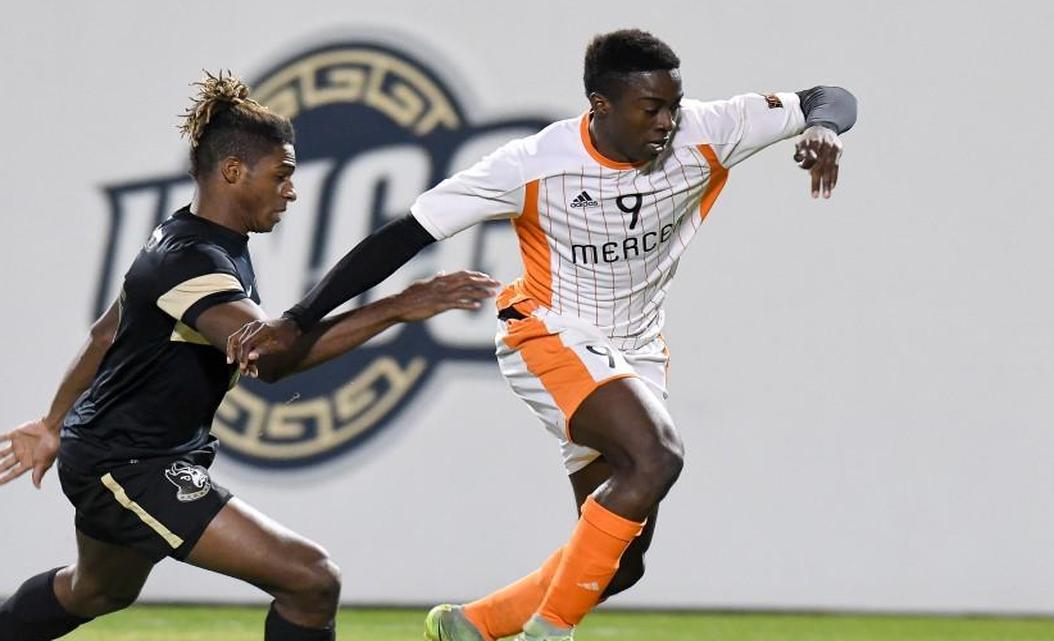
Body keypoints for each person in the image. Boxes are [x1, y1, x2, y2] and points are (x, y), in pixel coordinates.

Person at [228, 28, 857, 641]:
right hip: (548, 332)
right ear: (600, 106)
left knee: (621, 562)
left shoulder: (710, 128)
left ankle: (472, 625)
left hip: (636, 350)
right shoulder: (534, 163)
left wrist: (823, 127)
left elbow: (828, 97)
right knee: (657, 457)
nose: (668, 121)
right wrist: (297, 317)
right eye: (651, 109)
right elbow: (404, 235)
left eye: (673, 104)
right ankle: (547, 633)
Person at [0, 71, 498, 641]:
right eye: (282, 175)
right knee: (310, 579)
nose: (291, 191)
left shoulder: (187, 240)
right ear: (233, 172)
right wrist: (398, 307)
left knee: (95, 590)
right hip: (129, 463)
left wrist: (50, 423)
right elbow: (270, 359)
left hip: (121, 452)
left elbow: (104, 335)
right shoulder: (190, 259)